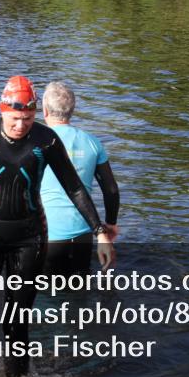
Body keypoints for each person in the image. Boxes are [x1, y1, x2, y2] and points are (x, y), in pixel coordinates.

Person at [0, 75, 115, 377]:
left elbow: (75, 188)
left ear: (36, 113)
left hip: (29, 238)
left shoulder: (45, 141)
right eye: (14, 119)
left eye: (27, 119)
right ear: (2, 110)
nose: (20, 126)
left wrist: (100, 232)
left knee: (17, 323)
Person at [40, 82, 120, 278]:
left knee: (41, 292)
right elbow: (111, 190)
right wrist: (110, 224)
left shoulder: (38, 141)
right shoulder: (92, 142)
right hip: (84, 233)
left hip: (47, 235)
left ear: (45, 110)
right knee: (79, 289)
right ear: (72, 110)